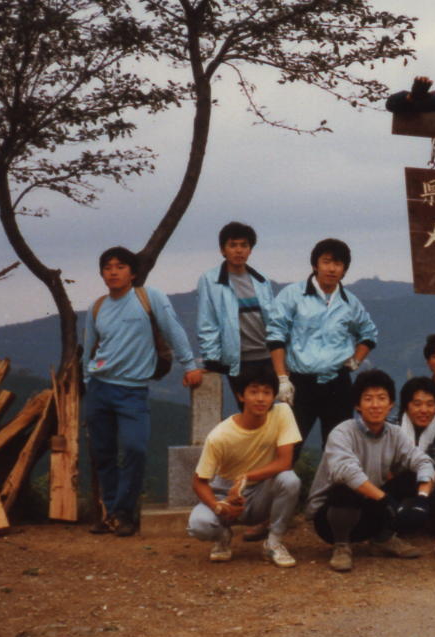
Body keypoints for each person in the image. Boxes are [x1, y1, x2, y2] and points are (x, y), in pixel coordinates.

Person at [83, 246, 204, 537]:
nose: (113, 272)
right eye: (108, 267)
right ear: (101, 274)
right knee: (103, 453)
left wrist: (189, 364)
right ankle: (112, 514)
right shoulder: (97, 307)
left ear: (133, 273)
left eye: (120, 266)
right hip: (100, 387)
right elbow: (88, 348)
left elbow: (173, 329)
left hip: (133, 390)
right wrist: (87, 380)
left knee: (135, 448)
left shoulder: (149, 298)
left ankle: (124, 510)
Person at [304, 370, 435, 573]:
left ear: (391, 404)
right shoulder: (342, 432)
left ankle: (382, 539)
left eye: (382, 398)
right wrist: (386, 500)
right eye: (368, 399)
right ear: (358, 405)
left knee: (412, 477)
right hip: (329, 519)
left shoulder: (395, 434)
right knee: (346, 487)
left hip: (370, 508)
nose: (375, 405)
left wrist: (422, 499)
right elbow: (348, 473)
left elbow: (422, 461)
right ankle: (341, 546)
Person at [266, 238, 378, 453]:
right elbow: (275, 334)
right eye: (326, 262)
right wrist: (281, 379)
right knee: (288, 448)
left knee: (338, 449)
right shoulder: (293, 295)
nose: (332, 269)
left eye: (338, 264)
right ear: (315, 265)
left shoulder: (349, 302)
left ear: (344, 269)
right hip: (299, 383)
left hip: (338, 384)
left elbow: (369, 333)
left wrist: (355, 361)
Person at [186, 368, 301, 568]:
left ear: (274, 396)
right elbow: (198, 482)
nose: (261, 399)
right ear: (241, 396)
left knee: (290, 480)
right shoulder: (220, 436)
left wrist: (246, 476)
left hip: (261, 490)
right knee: (199, 525)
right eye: (253, 392)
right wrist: (218, 506)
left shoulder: (282, 412)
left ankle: (273, 543)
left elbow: (285, 462)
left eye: (267, 392)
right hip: (225, 492)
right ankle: (222, 536)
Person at [195, 221, 276, 398]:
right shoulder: (210, 281)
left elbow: (273, 320)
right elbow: (207, 322)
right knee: (247, 406)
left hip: (267, 357)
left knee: (268, 408)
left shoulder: (261, 280)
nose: (239, 250)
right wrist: (212, 359)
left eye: (244, 245)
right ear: (222, 250)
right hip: (239, 361)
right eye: (233, 245)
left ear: (250, 250)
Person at [397, 376, 435, 533]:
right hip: (398, 478)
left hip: (431, 481)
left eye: (430, 404)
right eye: (417, 404)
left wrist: (422, 497)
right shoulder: (393, 425)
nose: (424, 410)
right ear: (406, 406)